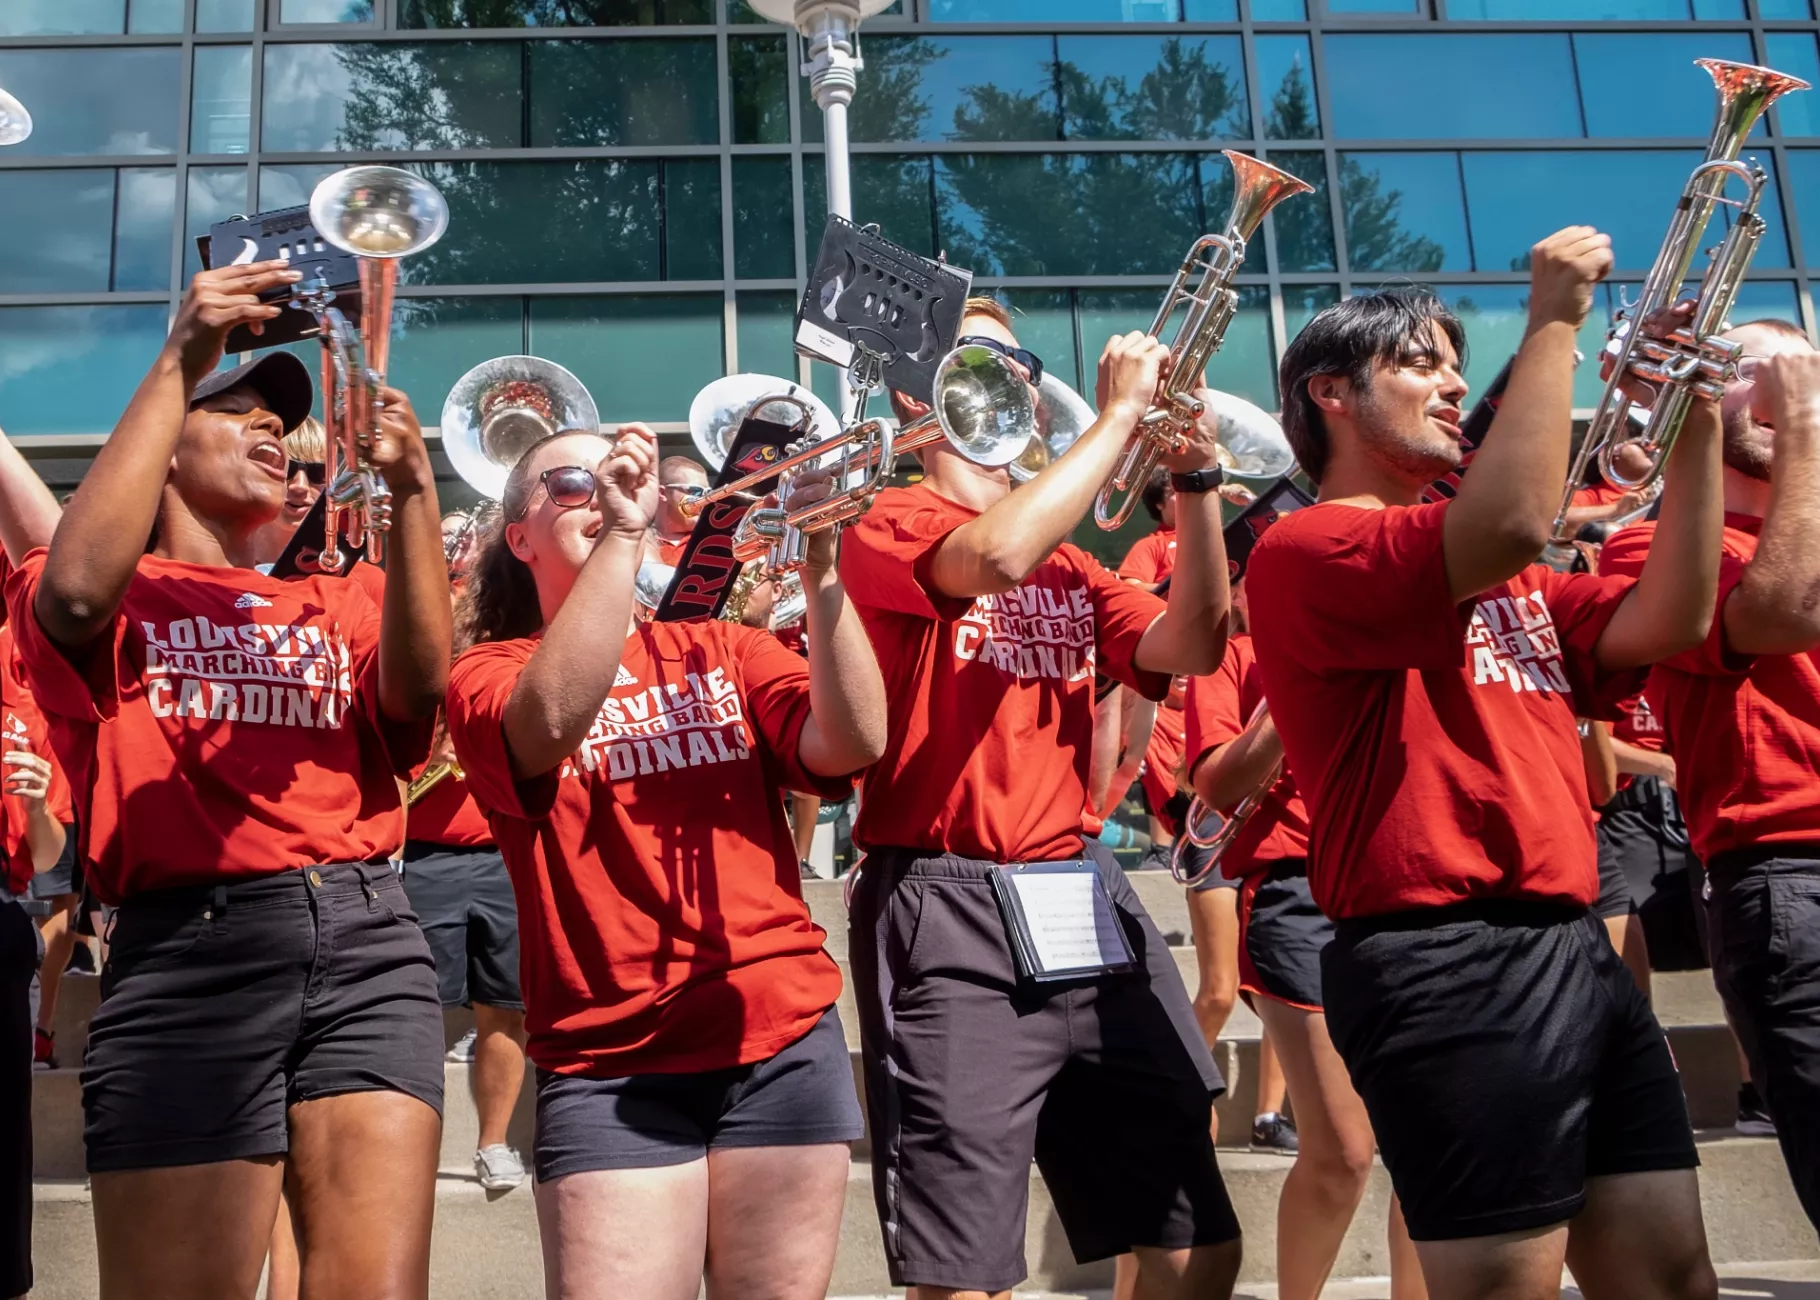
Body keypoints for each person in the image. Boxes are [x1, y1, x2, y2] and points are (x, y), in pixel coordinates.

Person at [1249, 230, 1725, 1300]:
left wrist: (1692, 425)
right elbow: (1509, 520)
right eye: (1419, 362)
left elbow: (1674, 613)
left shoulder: (1502, 580)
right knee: (1500, 1288)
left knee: (1670, 1277)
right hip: (1443, 957)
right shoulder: (1305, 547)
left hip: (1566, 943)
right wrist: (1553, 318)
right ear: (1329, 391)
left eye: (1455, 363)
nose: (1452, 382)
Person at [7, 261, 453, 1300]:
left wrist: (417, 491)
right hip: (189, 951)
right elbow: (72, 593)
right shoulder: (114, 589)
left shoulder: (338, 601)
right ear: (161, 451)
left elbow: (415, 698)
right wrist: (180, 358)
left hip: (369, 938)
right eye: (238, 411)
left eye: (280, 422)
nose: (272, 432)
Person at [842, 295, 1242, 1300]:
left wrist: (1191, 480)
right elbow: (991, 557)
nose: (1013, 372)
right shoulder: (883, 517)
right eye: (981, 354)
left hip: (1075, 888)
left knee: (1194, 1239)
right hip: (947, 901)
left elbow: (1191, 642)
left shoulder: (1073, 557)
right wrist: (1114, 424)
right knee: (965, 1272)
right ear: (911, 390)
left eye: (1017, 357)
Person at [444, 425, 886, 1299]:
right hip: (610, 1059)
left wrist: (823, 564)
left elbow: (852, 741)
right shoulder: (487, 672)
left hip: (779, 1037)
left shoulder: (725, 648)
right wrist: (620, 534)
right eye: (570, 479)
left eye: (612, 473)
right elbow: (551, 720)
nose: (602, 485)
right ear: (518, 539)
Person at [1599, 316, 1820, 1229]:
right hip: (1793, 874)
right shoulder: (1648, 549)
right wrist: (1803, 430)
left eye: (1799, 373)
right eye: (1753, 372)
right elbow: (1785, 611)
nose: (1780, 390)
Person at [1185, 585, 1422, 1300]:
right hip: (1294, 890)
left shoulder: (1388, 638)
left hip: (1399, 884)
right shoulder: (1230, 657)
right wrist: (1297, 679)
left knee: (1429, 1144)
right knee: (1345, 1150)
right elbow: (1216, 783)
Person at [401, 519, 528, 1194]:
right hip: (426, 850)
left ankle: (495, 1143)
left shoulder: (511, 623)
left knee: (506, 1008)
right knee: (420, 1012)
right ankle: (411, 1145)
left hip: (503, 848)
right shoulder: (434, 614)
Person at [249, 417, 327, 571]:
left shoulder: (366, 581)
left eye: (319, 472)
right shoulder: (214, 577)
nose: (300, 486)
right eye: (286, 469)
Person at [651, 454, 709, 567]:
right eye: (696, 491)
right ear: (662, 493)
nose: (704, 500)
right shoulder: (637, 541)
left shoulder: (714, 540)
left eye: (707, 493)